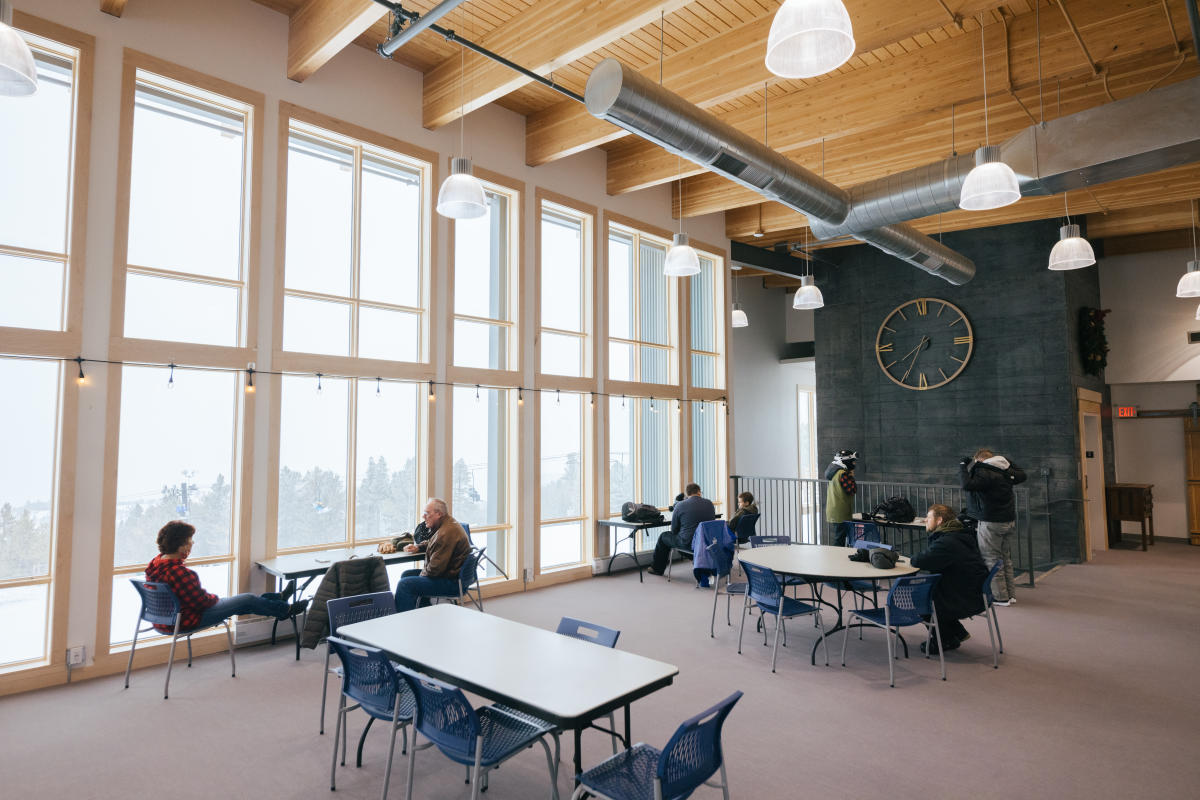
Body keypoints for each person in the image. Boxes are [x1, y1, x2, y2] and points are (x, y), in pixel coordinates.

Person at [145, 520, 297, 632]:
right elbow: (202, 602)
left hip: (163, 620)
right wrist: (216, 599)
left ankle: (279, 599)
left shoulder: (155, 564)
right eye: (190, 540)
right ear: (182, 546)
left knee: (244, 602)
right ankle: (285, 609)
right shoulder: (180, 572)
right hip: (186, 620)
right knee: (247, 599)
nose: (193, 543)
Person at [910, 504, 988, 653]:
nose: (925, 520)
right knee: (931, 591)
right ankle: (958, 632)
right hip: (975, 592)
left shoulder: (947, 542)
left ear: (939, 520)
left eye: (929, 517)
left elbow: (920, 561)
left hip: (964, 598)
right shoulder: (960, 534)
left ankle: (945, 640)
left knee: (918, 597)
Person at [960, 448, 1027, 606]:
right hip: (1007, 520)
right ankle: (1010, 594)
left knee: (991, 559)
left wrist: (962, 465)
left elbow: (967, 485)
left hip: (990, 522)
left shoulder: (985, 472)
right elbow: (1022, 474)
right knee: (1005, 559)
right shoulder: (1005, 471)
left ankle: (1000, 597)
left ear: (981, 460)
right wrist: (1006, 459)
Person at [394, 498, 472, 612]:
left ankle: (406, 623)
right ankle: (425, 613)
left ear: (439, 514)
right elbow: (434, 542)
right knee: (407, 575)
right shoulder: (448, 524)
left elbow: (434, 571)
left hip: (451, 583)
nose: (423, 517)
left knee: (405, 585)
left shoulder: (445, 533)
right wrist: (418, 547)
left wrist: (420, 577)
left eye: (427, 513)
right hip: (453, 577)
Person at [648, 483, 715, 577]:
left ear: (687, 494)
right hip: (707, 544)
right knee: (684, 537)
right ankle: (700, 562)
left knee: (663, 536)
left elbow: (674, 530)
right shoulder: (709, 503)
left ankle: (657, 569)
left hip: (688, 545)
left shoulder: (680, 505)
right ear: (699, 492)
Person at [824, 449, 857, 546]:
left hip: (834, 510)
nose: (854, 464)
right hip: (841, 512)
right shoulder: (843, 473)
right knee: (840, 540)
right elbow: (852, 490)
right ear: (846, 461)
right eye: (852, 461)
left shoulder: (834, 471)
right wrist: (851, 477)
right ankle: (837, 558)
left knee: (839, 537)